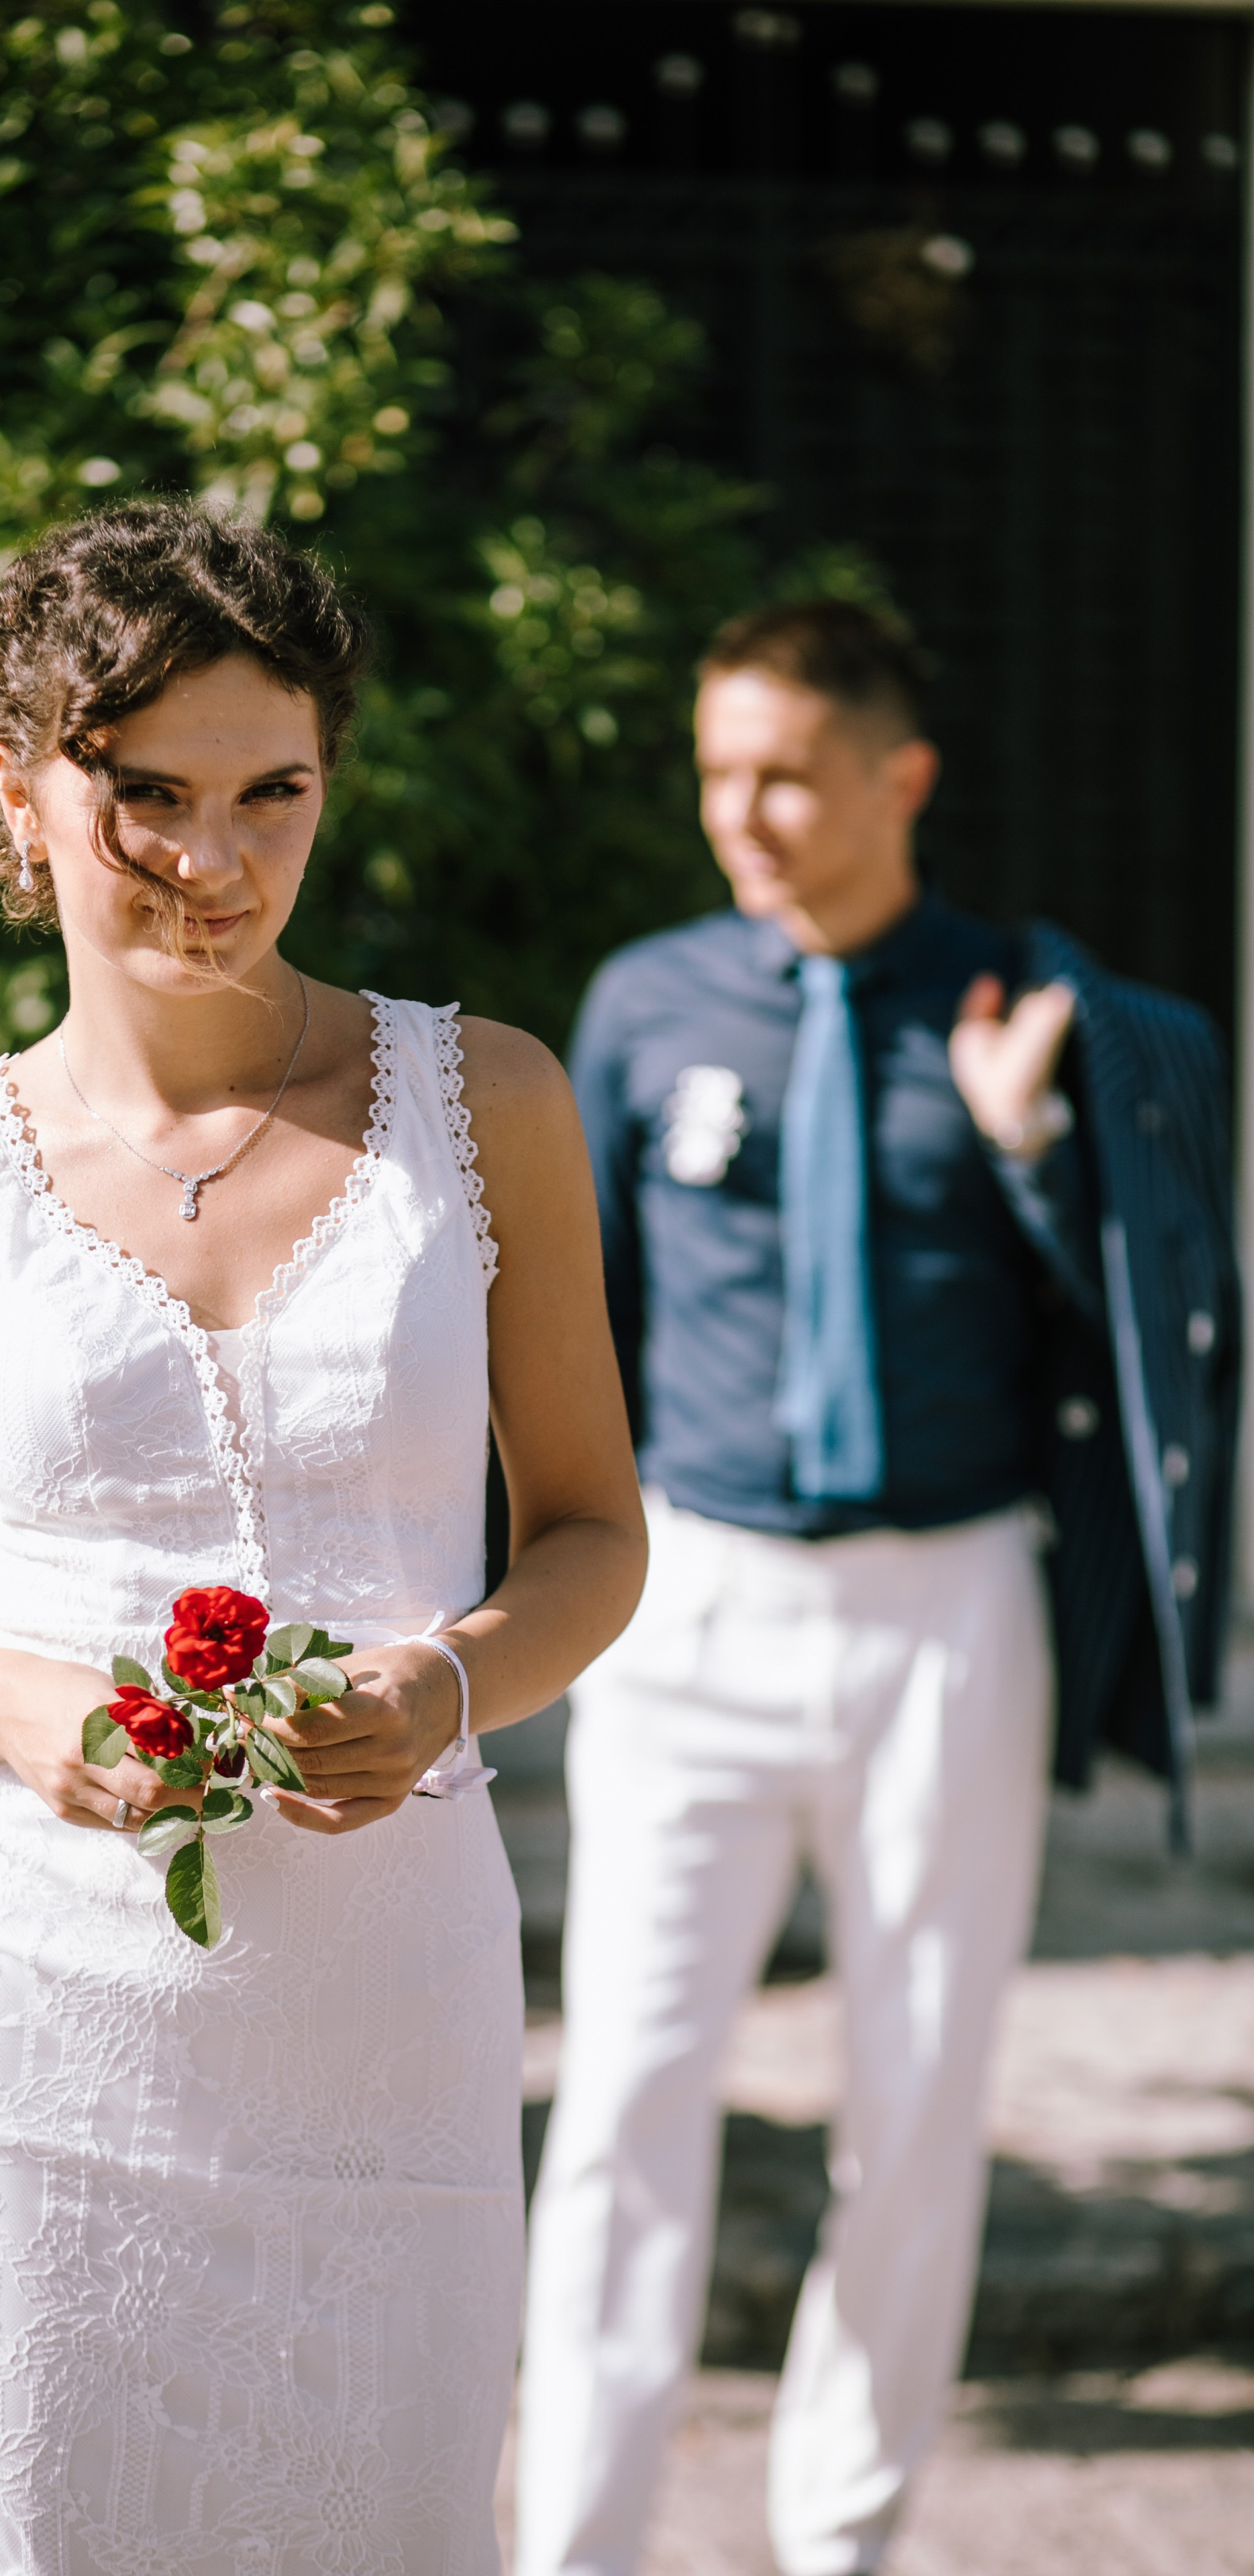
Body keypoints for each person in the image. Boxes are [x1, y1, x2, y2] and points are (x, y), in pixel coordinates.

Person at [0, 502, 647, 2576]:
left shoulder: (488, 1105)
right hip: (32, 2049)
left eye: (272, 794)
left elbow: (595, 1530)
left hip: (393, 2042)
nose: (213, 861)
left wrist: (447, 1685)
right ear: (17, 788)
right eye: (145, 793)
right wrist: (12, 1711)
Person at [517, 597, 1239, 2576]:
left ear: (900, 777)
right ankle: (574, 2543)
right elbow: (583, 1320)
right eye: (717, 773)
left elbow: (1153, 1335)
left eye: (786, 775)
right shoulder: (647, 1002)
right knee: (627, 2093)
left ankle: (842, 2541)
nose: (741, 814)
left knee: (921, 2097)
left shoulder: (1025, 1007)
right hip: (695, 1598)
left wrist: (1030, 1147)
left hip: (949, 1612)